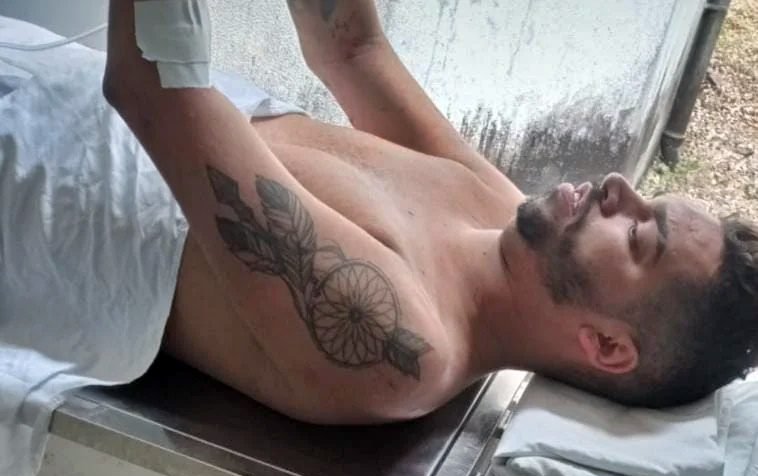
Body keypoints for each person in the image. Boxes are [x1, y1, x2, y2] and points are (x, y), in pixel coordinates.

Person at [102, 0, 758, 424]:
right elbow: (351, 46)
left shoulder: (401, 348)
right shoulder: (499, 210)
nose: (619, 186)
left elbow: (155, 89)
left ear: (607, 345)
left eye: (639, 234)